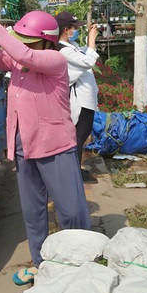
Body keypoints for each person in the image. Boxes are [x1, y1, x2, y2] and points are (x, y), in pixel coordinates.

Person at [0, 10, 91, 285]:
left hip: (55, 147)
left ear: (47, 41)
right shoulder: (19, 61)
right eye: (20, 39)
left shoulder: (55, 60)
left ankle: (83, 264)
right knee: (33, 214)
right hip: (24, 147)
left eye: (28, 40)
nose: (22, 44)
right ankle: (41, 264)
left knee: (70, 210)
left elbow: (26, 56)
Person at [54, 12, 100, 177]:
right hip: (79, 100)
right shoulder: (63, 51)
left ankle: (75, 171)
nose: (76, 30)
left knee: (80, 135)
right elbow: (88, 61)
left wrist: (89, 40)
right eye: (75, 28)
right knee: (79, 136)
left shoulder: (70, 46)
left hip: (85, 99)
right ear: (66, 30)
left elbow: (85, 54)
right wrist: (92, 40)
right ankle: (73, 175)